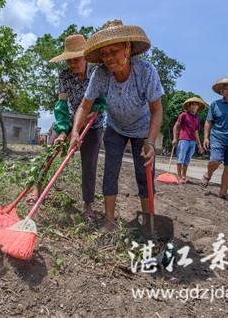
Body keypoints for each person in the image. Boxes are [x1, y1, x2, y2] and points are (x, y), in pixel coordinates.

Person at [69, 19, 164, 232]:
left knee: (144, 175)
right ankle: (110, 222)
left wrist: (150, 141)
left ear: (127, 49)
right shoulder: (101, 74)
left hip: (142, 130)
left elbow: (157, 110)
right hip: (115, 128)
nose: (109, 58)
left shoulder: (145, 71)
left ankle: (148, 224)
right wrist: (75, 132)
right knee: (110, 171)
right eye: (104, 53)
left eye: (114, 51)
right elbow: (85, 106)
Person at [28, 34, 106, 221]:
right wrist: (64, 131)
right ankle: (36, 188)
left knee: (89, 164)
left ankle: (87, 205)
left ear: (86, 57)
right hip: (69, 118)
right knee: (50, 151)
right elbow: (62, 104)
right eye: (69, 60)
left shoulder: (98, 73)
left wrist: (77, 130)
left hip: (93, 123)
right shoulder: (63, 75)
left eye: (76, 59)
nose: (72, 64)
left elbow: (100, 102)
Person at [172, 97, 206, 184]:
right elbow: (176, 126)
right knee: (181, 159)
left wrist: (199, 144)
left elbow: (196, 131)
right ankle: (179, 176)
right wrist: (175, 138)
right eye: (193, 105)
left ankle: (184, 176)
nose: (194, 107)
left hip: (193, 141)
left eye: (196, 105)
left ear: (198, 107)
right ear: (189, 106)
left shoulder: (197, 119)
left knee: (187, 160)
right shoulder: (183, 115)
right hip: (183, 139)